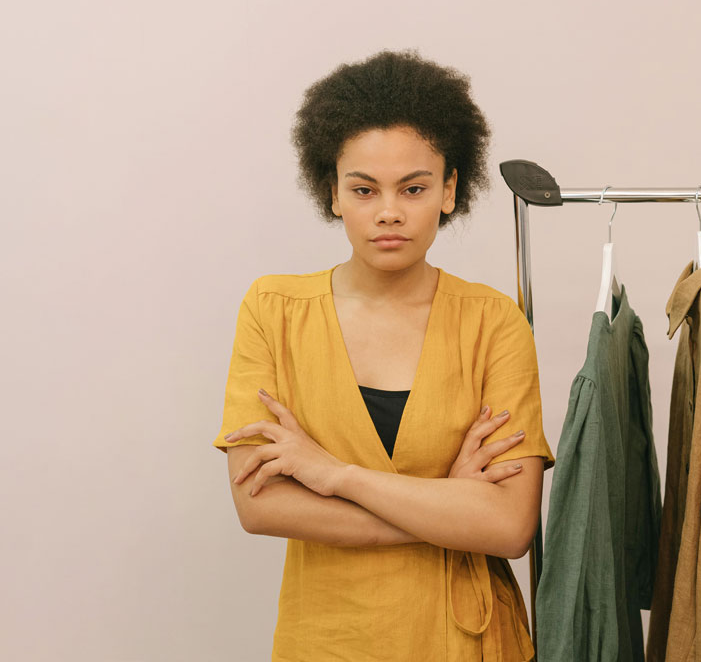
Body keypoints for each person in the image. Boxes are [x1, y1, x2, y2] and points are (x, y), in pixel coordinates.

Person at [213, 48, 555, 661]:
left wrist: (333, 475)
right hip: (326, 639)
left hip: (466, 640)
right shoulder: (274, 310)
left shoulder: (493, 321)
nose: (390, 212)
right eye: (364, 189)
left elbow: (508, 527)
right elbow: (257, 504)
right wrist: (445, 507)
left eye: (414, 187)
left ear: (450, 189)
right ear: (334, 192)